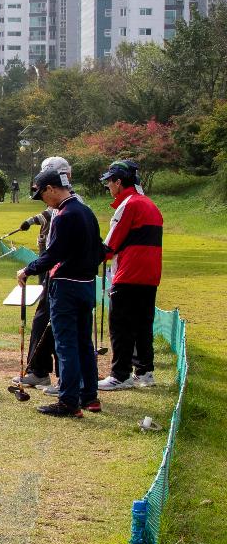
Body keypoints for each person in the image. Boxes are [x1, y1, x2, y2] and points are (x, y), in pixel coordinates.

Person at [17, 166, 104, 418]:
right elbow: (100, 250)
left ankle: (68, 401)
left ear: (51, 189)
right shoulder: (86, 211)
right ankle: (90, 396)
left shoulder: (65, 215)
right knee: (83, 344)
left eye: (43, 195)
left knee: (66, 345)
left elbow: (53, 253)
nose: (44, 201)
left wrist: (28, 269)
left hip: (66, 285)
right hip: (87, 284)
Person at [97, 159, 163, 391]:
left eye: (110, 182)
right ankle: (144, 372)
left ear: (118, 181)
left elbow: (109, 246)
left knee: (121, 325)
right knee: (143, 325)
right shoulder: (150, 204)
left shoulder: (129, 204)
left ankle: (120, 374)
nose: (108, 187)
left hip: (128, 273)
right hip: (149, 275)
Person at [11, 156, 72, 388]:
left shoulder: (67, 207)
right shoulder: (64, 204)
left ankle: (43, 372)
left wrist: (30, 268)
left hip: (59, 272)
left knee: (47, 321)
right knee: (46, 320)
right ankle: (43, 371)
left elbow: (56, 249)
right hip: (54, 269)